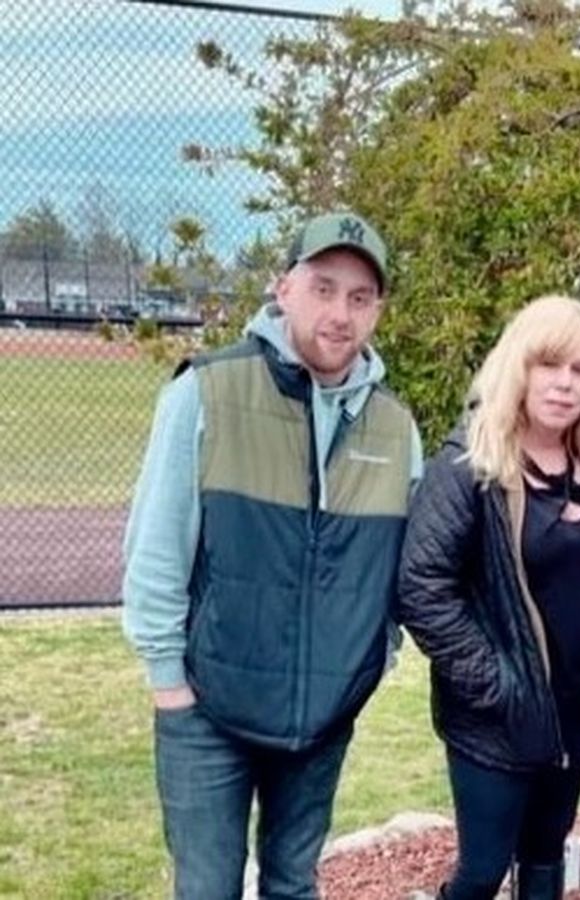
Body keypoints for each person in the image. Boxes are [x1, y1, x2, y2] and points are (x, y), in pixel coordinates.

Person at [123, 210, 424, 899]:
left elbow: (400, 572)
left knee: (294, 886)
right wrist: (170, 686)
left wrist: (371, 660)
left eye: (360, 297)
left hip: (323, 719)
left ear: (377, 310)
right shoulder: (206, 390)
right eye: (323, 288)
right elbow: (156, 550)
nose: (340, 313)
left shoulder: (394, 427)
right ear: (283, 288)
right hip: (206, 711)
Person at [395, 295, 580, 900]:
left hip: (574, 714)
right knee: (482, 872)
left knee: (545, 862)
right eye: (549, 364)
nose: (565, 383)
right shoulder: (470, 464)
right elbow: (421, 587)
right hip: (496, 717)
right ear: (517, 366)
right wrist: (497, 684)